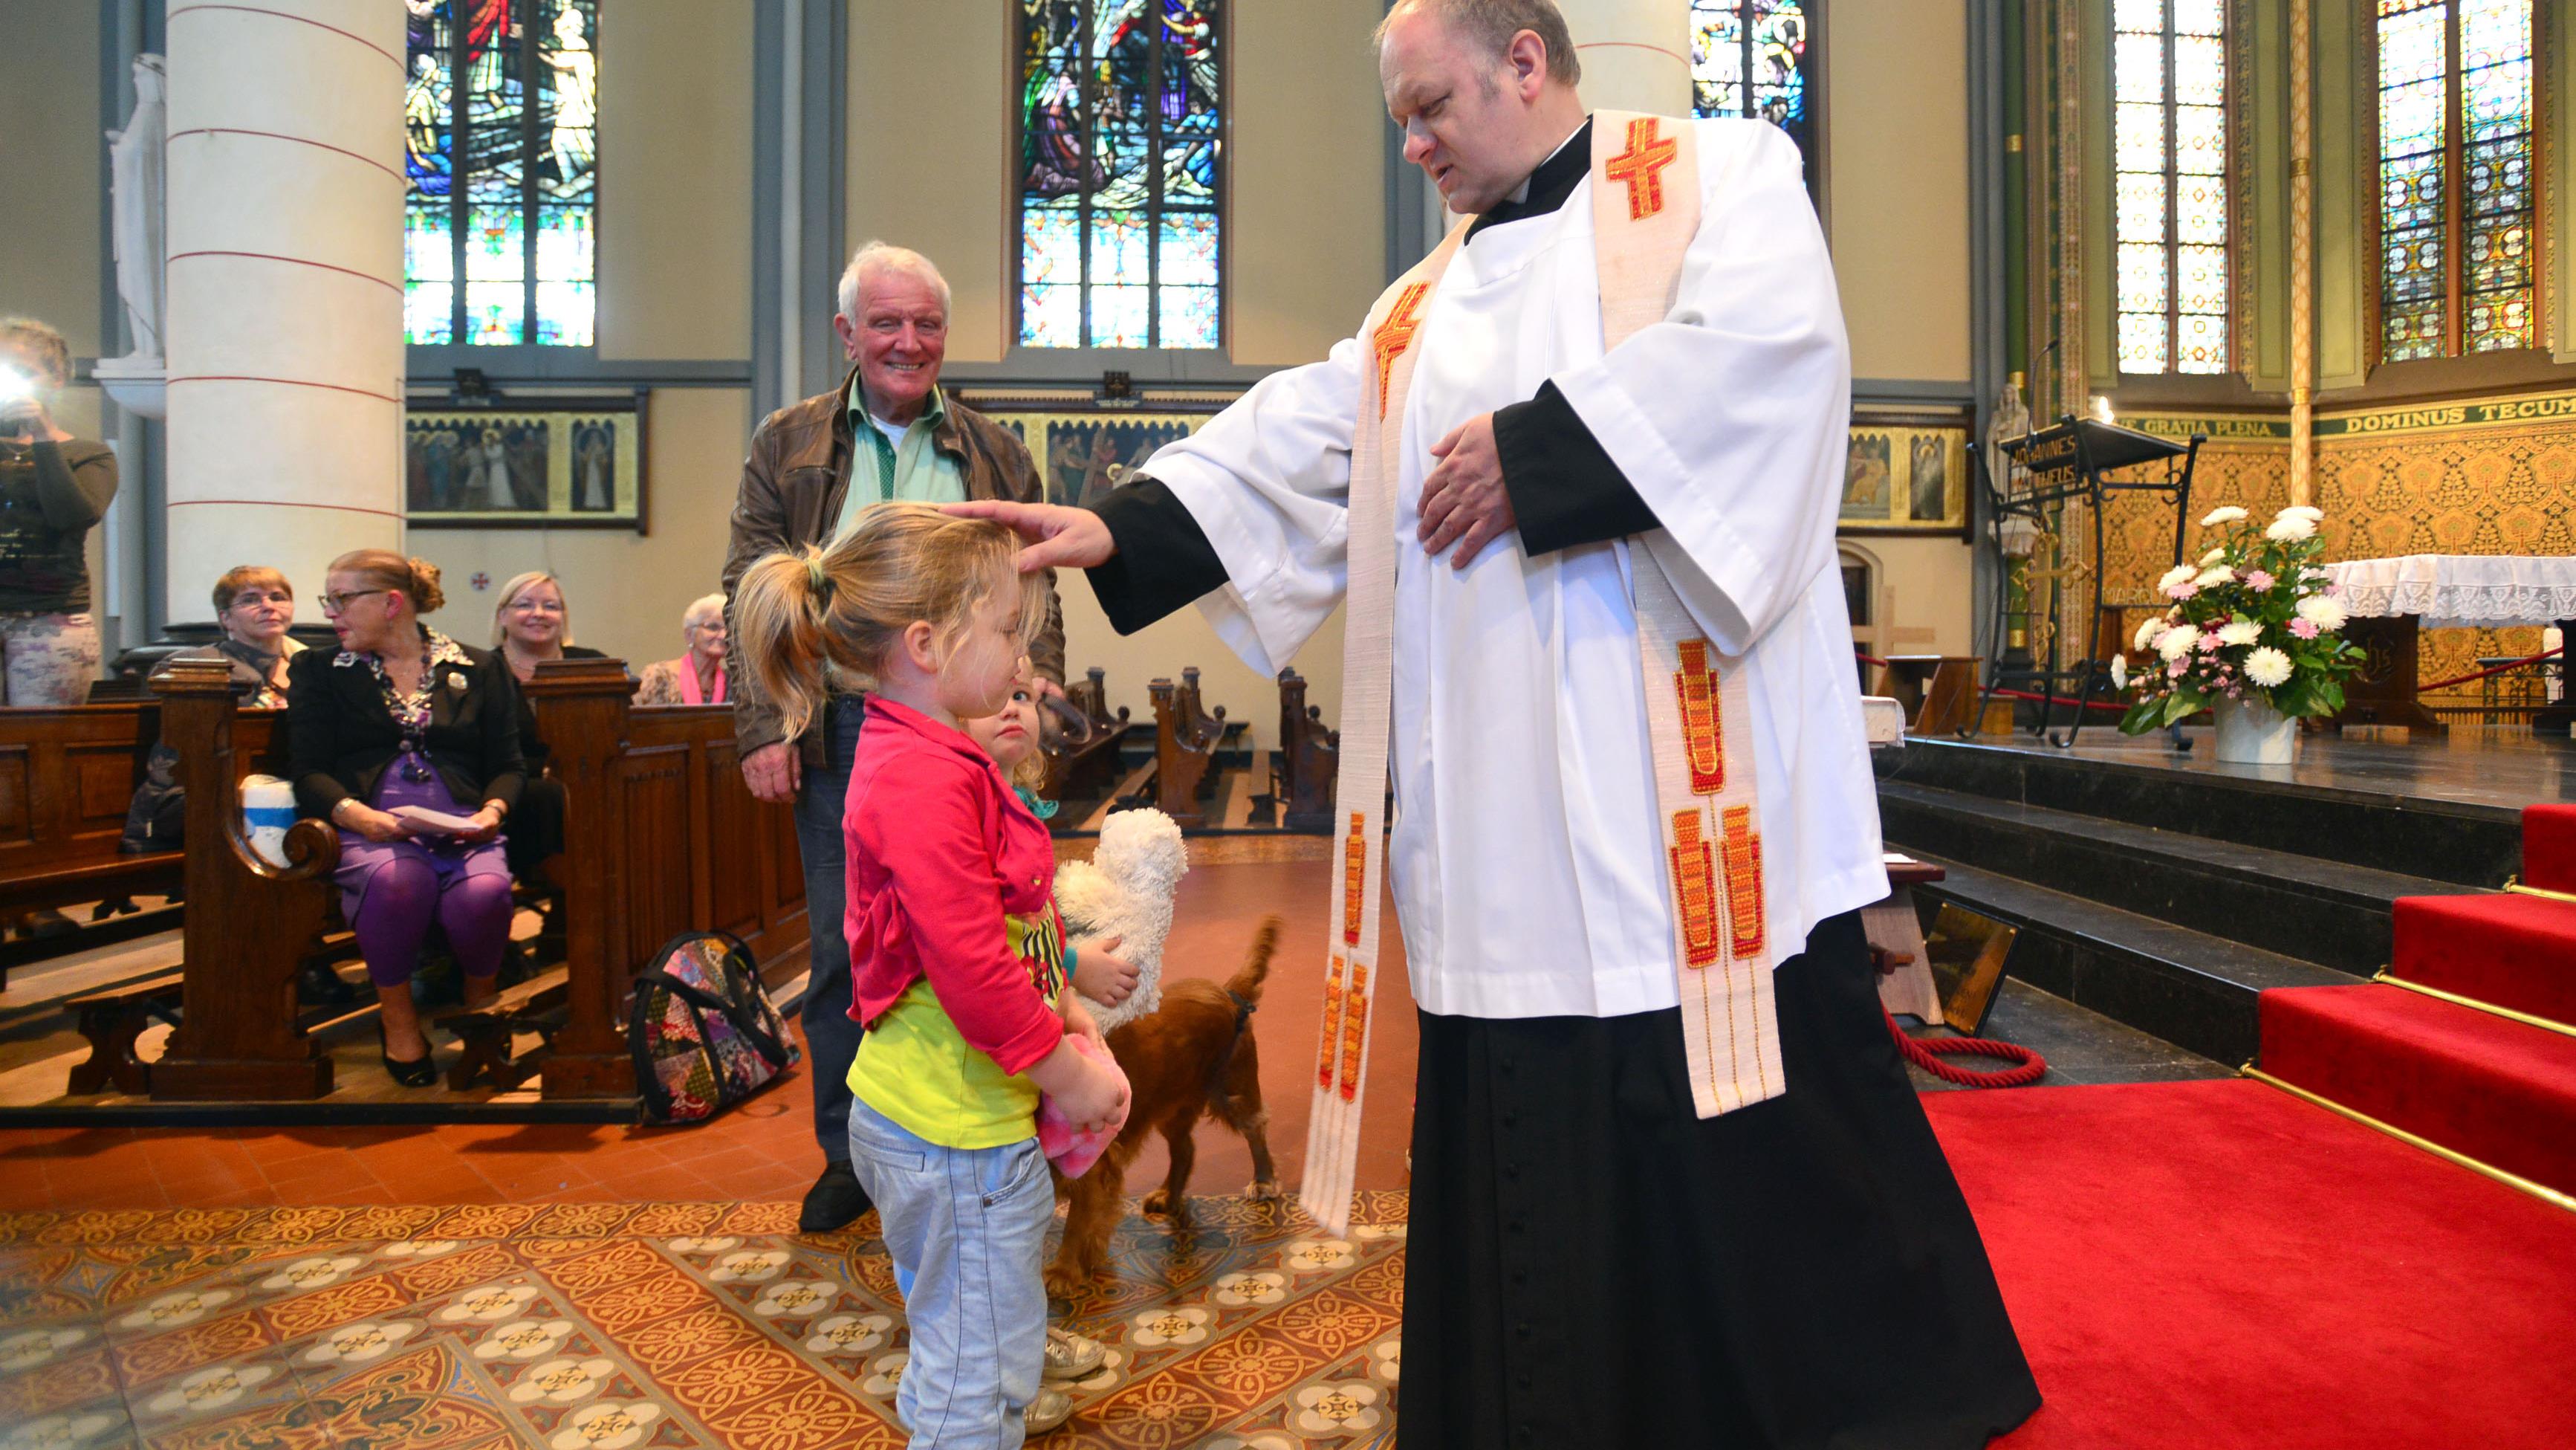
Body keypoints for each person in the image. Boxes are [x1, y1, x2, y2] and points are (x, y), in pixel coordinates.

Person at [951, 4, 2041, 1446]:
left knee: (1739, 1132)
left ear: (1523, 62)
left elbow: (1769, 360)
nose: (1410, 146)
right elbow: (1309, 429)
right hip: (1511, 842)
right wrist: (1125, 524)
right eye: (1397, 118)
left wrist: (1541, 455)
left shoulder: (1713, 177)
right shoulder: (1422, 308)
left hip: (1682, 836)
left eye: (1427, 108)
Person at [733, 502, 1128, 1444]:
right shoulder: (923, 778)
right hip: (954, 1131)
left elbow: (1011, 921)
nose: (1020, 661)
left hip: (948, 1114)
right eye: (1002, 631)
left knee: (976, 1324)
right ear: (925, 642)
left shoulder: (932, 748)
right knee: (968, 1371)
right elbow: (974, 966)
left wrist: (1064, 999)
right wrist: (1063, 1068)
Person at [722, 241, 1067, 1234]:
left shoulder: (993, 448)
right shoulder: (787, 441)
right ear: (847, 333)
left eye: (924, 324)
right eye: (886, 322)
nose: (907, 342)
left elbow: (1036, 592)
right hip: (839, 724)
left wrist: (1028, 700)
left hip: (967, 718)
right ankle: (852, 1151)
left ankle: (996, 1124)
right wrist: (766, 720)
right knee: (849, 946)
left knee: (991, 925)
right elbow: (755, 585)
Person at [287, 551, 524, 1087]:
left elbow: (510, 764)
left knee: (482, 895)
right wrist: (359, 816)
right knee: (399, 882)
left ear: (392, 602)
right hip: (369, 825)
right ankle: (397, 1020)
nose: (331, 613)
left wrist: (492, 811)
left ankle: (480, 1008)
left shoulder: (479, 666)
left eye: (342, 599)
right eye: (331, 600)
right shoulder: (320, 670)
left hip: (463, 822)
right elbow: (307, 771)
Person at [0, 317, 118, 706]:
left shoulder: (88, 454)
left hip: (51, 622)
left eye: (22, 372)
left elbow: (71, 515)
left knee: (44, 746)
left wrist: (43, 437)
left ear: (55, 379)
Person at [490, 570, 604, 878]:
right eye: (525, 605)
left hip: (585, 781)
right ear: (503, 615)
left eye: (551, 606)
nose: (539, 614)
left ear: (563, 617)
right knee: (549, 796)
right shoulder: (483, 671)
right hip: (513, 791)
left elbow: (618, 729)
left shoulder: (591, 666)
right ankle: (569, 890)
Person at [635, 593, 730, 705]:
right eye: (713, 627)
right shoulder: (659, 677)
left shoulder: (733, 682)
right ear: (690, 635)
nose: (724, 636)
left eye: (728, 628)